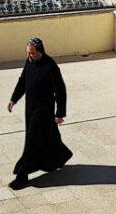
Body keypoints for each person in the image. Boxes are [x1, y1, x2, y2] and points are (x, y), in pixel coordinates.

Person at [7, 36, 72, 190]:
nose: (29, 56)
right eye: (28, 53)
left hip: (43, 110)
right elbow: (23, 81)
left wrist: (59, 113)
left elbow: (60, 91)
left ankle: (22, 175)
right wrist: (14, 99)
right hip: (30, 109)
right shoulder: (30, 62)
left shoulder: (51, 67)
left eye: (32, 53)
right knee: (50, 136)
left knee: (32, 142)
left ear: (40, 51)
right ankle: (60, 156)